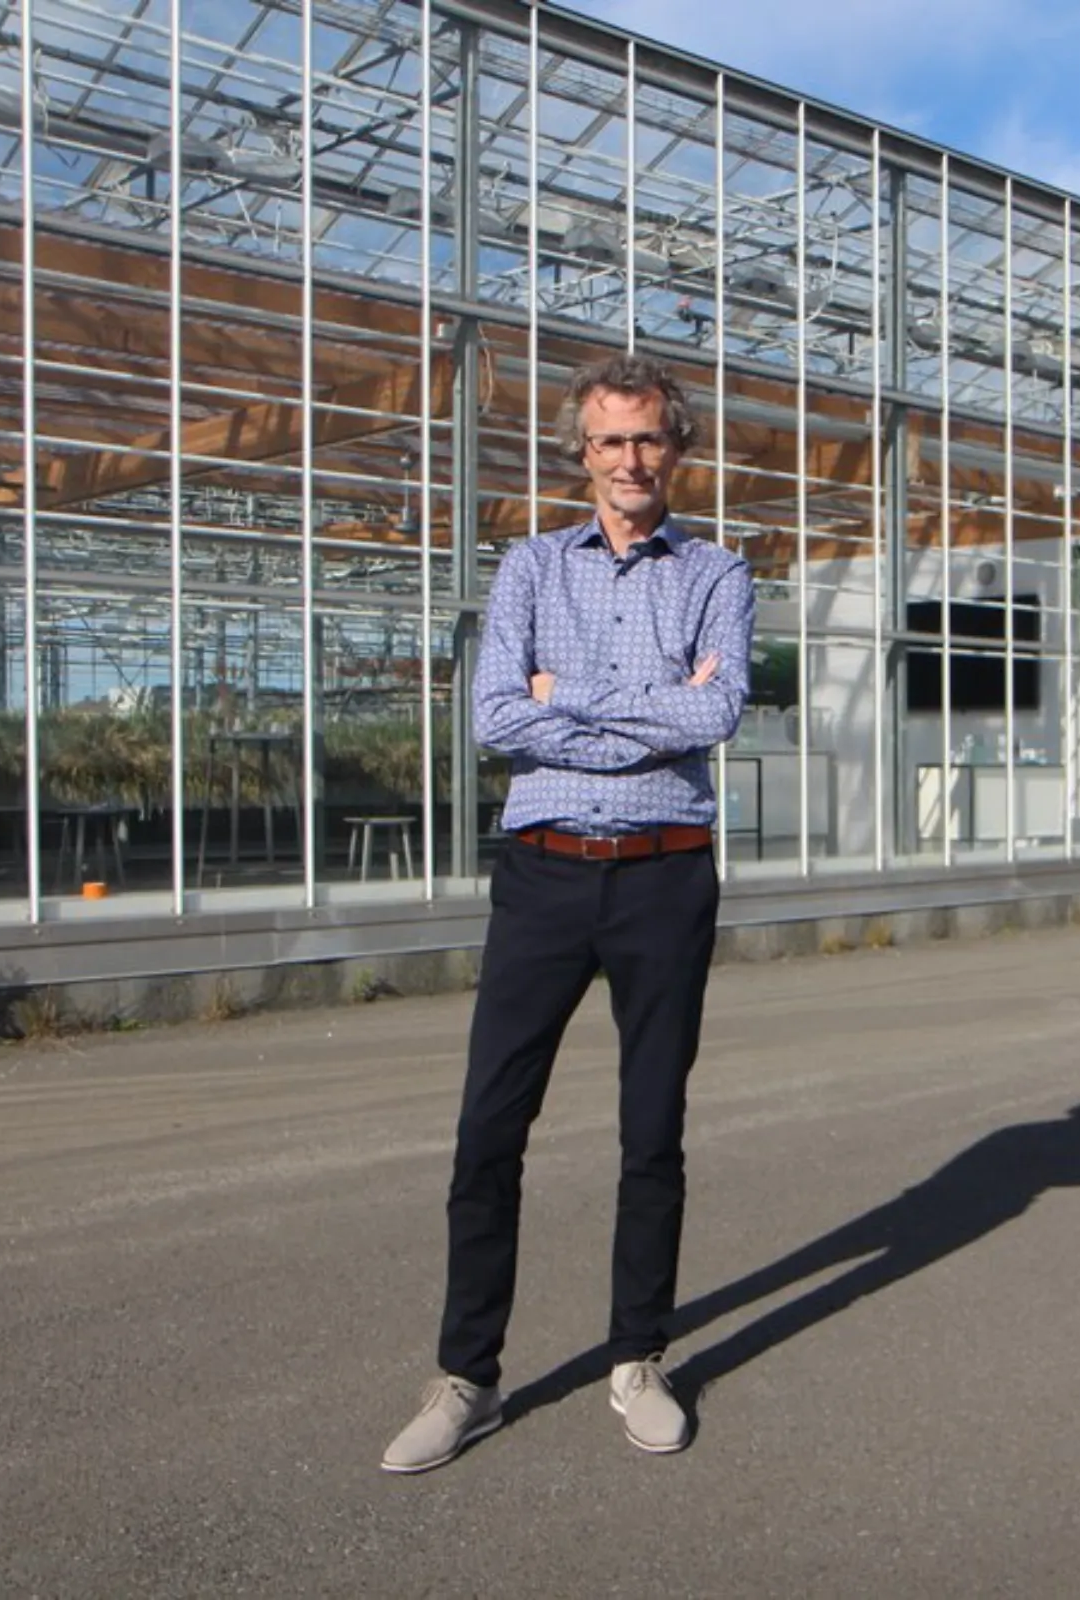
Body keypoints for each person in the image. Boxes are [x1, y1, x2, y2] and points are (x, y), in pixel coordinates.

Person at [383, 353, 754, 1473]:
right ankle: (469, 1376)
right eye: (610, 441)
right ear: (580, 455)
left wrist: (573, 698)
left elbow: (721, 706)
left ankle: (638, 1357)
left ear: (676, 448)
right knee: (489, 1129)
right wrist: (651, 710)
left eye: (648, 439)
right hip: (543, 873)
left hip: (662, 874)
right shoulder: (531, 566)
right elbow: (498, 714)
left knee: (653, 1131)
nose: (630, 460)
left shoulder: (718, 572)